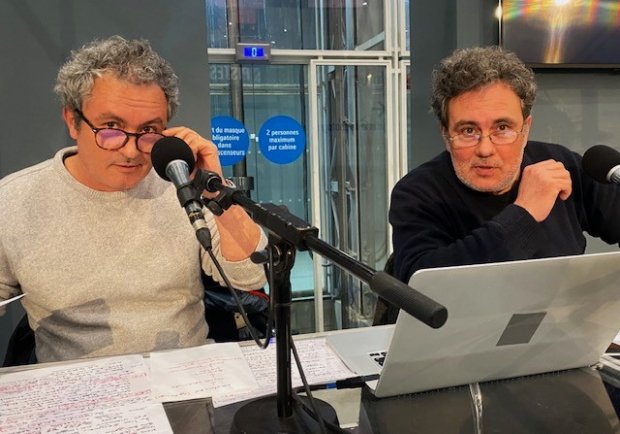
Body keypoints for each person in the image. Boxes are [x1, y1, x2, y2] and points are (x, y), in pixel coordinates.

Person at [0, 36, 267, 363]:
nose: (130, 151)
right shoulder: (14, 200)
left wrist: (215, 188)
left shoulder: (181, 186)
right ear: (73, 121)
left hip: (184, 377)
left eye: (148, 131)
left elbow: (250, 276)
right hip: (77, 385)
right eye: (111, 127)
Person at [390, 46, 620, 285]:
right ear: (446, 135)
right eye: (468, 131)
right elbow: (421, 285)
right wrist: (525, 213)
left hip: (565, 309)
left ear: (525, 129)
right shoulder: (418, 193)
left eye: (502, 128)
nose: (485, 149)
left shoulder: (563, 166)